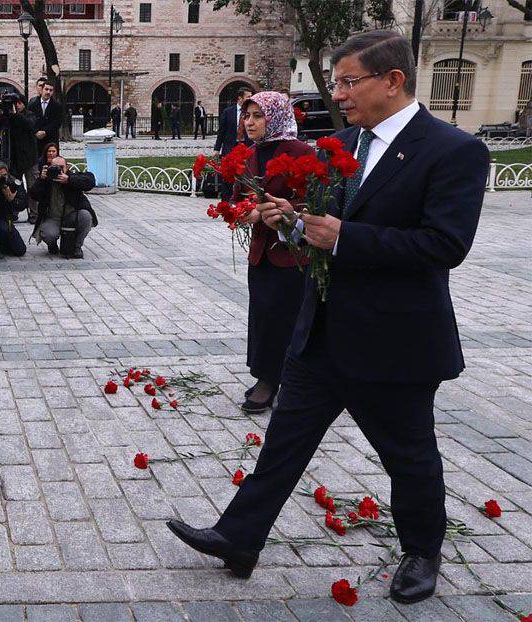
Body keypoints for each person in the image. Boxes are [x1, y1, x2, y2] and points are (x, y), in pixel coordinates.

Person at [167, 30, 489, 606]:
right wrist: (289, 220)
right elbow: (324, 229)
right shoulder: (343, 145)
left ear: (393, 81)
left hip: (394, 340)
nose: (337, 94)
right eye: (336, 82)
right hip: (322, 331)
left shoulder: (453, 150)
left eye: (348, 82)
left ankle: (421, 552)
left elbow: (444, 245)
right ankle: (239, 538)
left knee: (408, 456)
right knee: (283, 442)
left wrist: (346, 237)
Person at [234, 92, 315, 414]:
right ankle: (265, 375)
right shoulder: (250, 154)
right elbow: (238, 196)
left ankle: (288, 380)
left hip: (294, 252)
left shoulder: (299, 151)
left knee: (291, 318)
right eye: (247, 116)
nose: (250, 122)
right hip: (262, 252)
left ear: (276, 116)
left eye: (257, 116)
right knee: (264, 315)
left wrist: (287, 213)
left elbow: (317, 199)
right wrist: (243, 211)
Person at [29, 156, 97, 259]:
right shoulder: (46, 181)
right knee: (48, 234)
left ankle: (77, 247)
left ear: (67, 167)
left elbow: (90, 181)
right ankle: (52, 245)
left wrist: (69, 180)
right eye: (55, 167)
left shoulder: (71, 177)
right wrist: (41, 180)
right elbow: (33, 195)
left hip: (71, 216)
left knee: (86, 217)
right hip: (53, 217)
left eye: (61, 167)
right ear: (49, 167)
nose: (58, 170)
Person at [0, 93, 38, 222]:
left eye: (18, 103)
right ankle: (13, 210)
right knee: (13, 184)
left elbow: (29, 124)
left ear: (23, 104)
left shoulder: (29, 115)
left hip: (28, 157)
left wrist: (14, 114)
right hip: (11, 157)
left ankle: (34, 213)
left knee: (32, 185)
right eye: (14, 103)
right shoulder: (7, 115)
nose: (16, 106)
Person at [213, 86, 254, 198]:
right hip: (230, 146)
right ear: (240, 98)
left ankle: (243, 199)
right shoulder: (228, 112)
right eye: (248, 97)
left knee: (246, 173)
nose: (250, 99)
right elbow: (221, 131)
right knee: (227, 175)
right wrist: (217, 149)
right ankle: (226, 199)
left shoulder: (251, 113)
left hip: (246, 146)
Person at [29, 80, 63, 155]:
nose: (48, 92)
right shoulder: (32, 104)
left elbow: (57, 122)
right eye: (46, 89)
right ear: (42, 89)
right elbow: (30, 120)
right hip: (36, 140)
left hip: (50, 140)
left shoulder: (57, 106)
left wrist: (45, 131)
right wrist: (36, 132)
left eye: (51, 90)